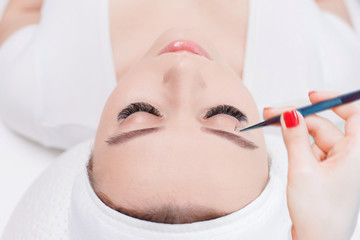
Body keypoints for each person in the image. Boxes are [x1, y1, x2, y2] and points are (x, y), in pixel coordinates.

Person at [0, 0, 359, 149]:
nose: (184, 68)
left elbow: (24, 9)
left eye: (142, 113)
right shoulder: (322, 75)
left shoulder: (41, 91)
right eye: (221, 115)